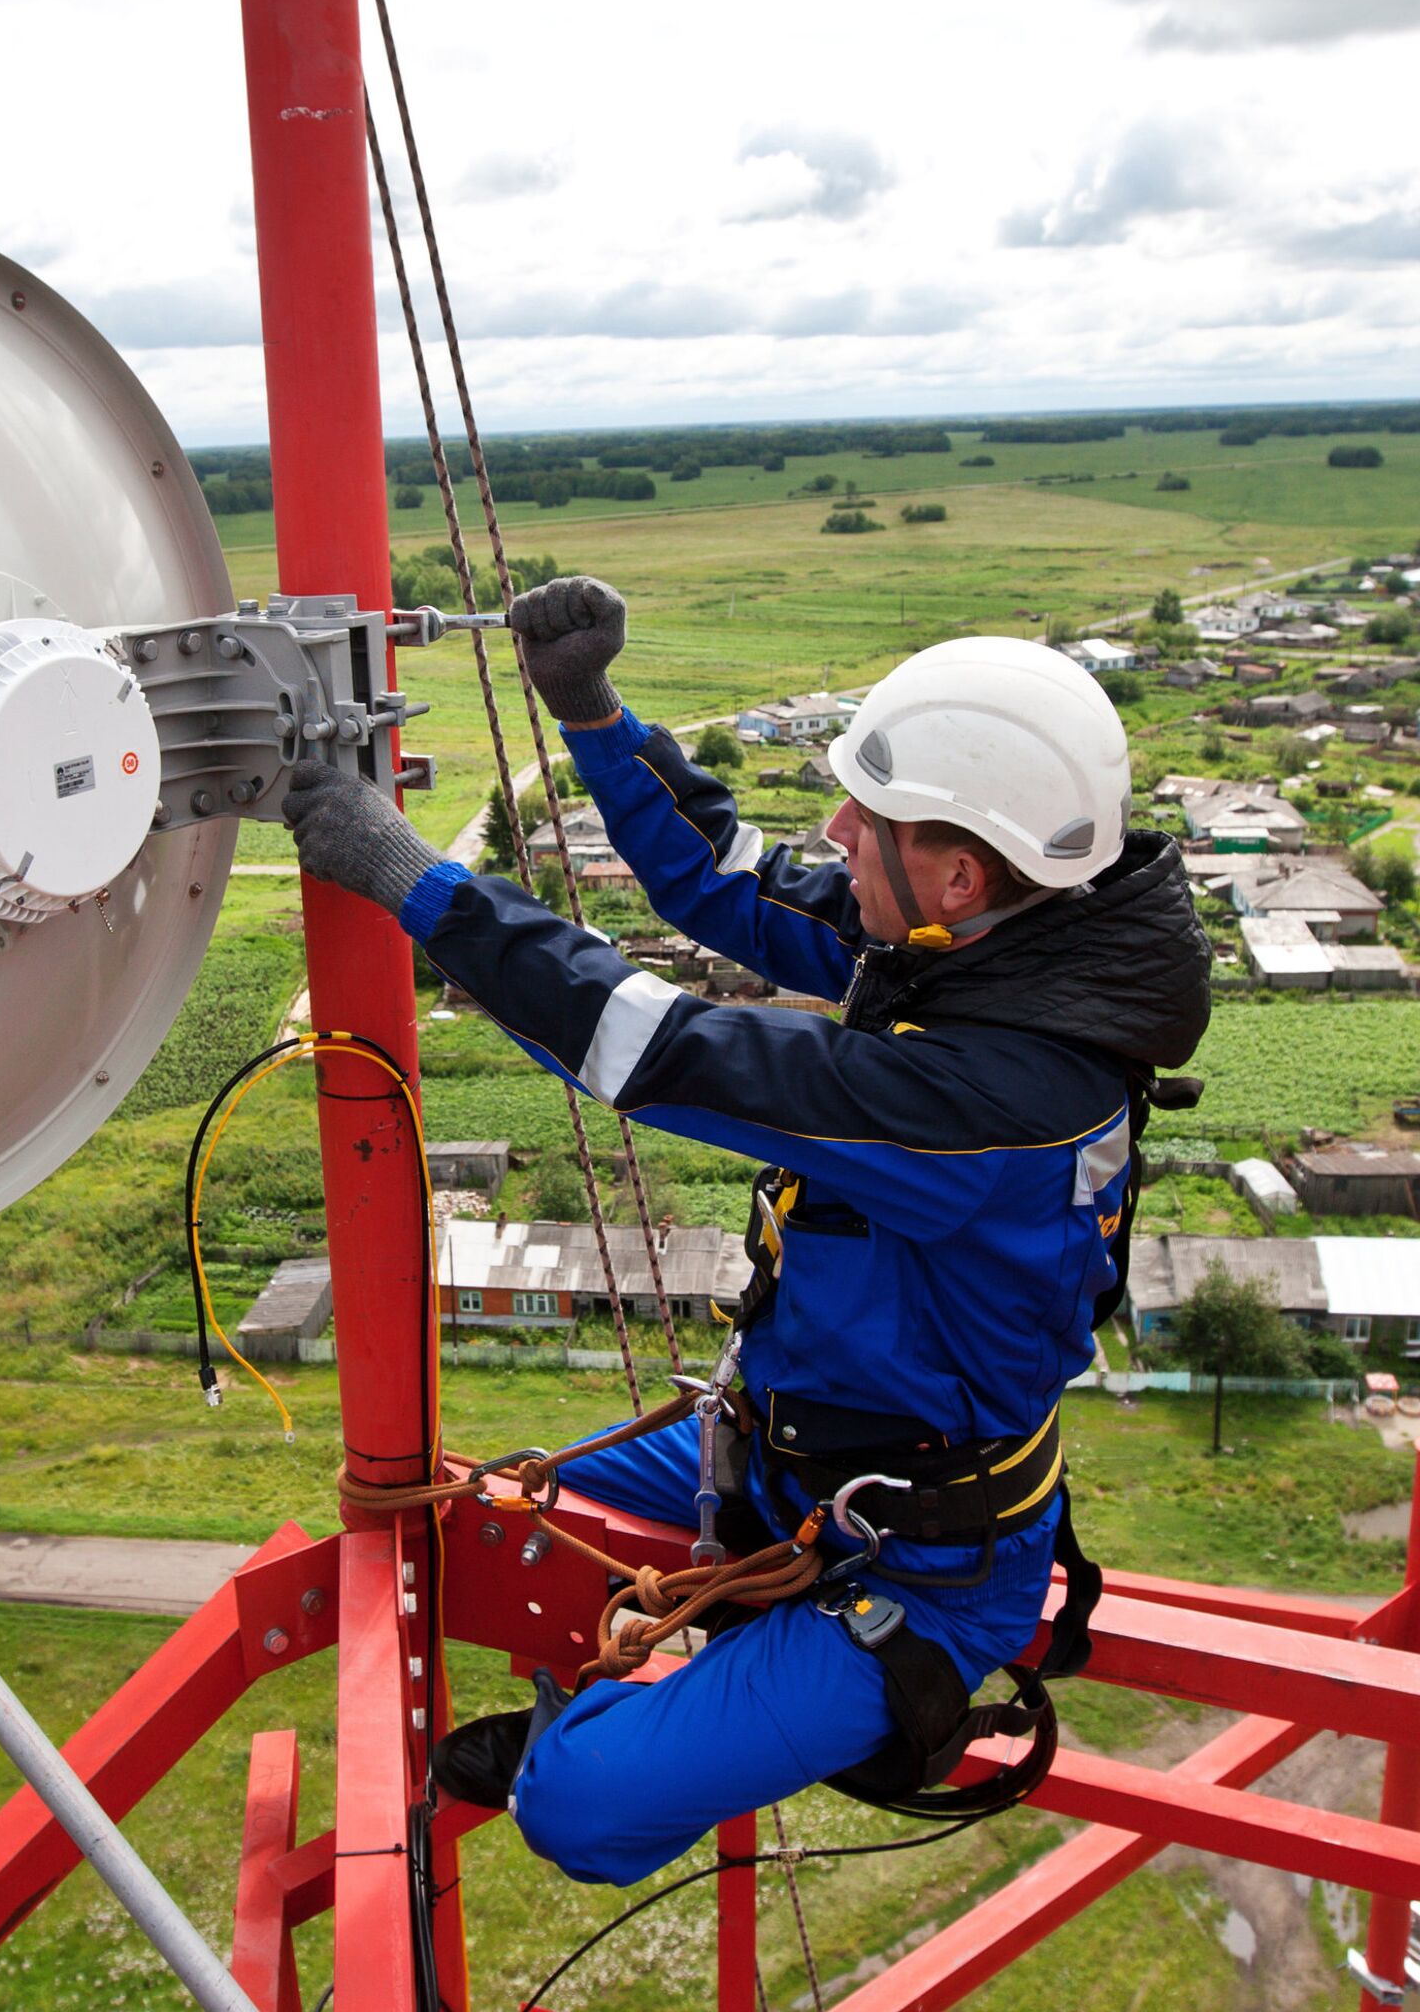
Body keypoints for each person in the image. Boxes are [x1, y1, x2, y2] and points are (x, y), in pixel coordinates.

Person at [282, 576, 1211, 1887]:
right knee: (488, 1522)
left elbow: (658, 1047)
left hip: (922, 1558)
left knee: (582, 1813)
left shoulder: (999, 1101)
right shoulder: (984, 950)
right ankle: (657, 1697)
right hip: (788, 1450)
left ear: (956, 869)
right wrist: (595, 717)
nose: (834, 831)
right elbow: (726, 887)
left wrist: (412, 883)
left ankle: (597, 1738)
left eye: (865, 820)